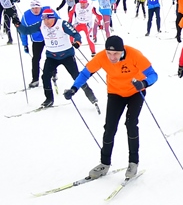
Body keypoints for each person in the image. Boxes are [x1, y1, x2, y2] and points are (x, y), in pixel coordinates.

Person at [64, 36, 158, 181]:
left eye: (116, 54)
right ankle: (104, 163)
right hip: (115, 92)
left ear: (122, 51)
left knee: (131, 123)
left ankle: (133, 162)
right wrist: (74, 88)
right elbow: (85, 73)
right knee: (109, 128)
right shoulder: (102, 57)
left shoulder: (134, 55)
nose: (112, 57)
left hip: (136, 91)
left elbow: (153, 74)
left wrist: (144, 83)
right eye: (109, 53)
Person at [15, 8, 82, 108]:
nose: (46, 22)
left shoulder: (61, 23)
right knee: (45, 77)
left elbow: (76, 34)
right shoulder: (41, 24)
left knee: (77, 76)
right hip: (52, 56)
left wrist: (77, 42)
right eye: (44, 19)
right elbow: (27, 30)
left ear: (53, 18)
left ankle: (91, 96)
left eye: (48, 20)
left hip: (66, 55)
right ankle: (49, 99)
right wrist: (18, 25)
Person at [18, 0, 48, 88]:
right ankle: (35, 80)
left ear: (40, 7)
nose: (36, 10)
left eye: (37, 8)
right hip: (36, 40)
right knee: (35, 59)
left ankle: (53, 73)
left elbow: (58, 23)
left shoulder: (47, 12)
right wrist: (25, 44)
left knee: (52, 57)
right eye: (33, 8)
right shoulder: (26, 15)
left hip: (49, 38)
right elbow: (23, 31)